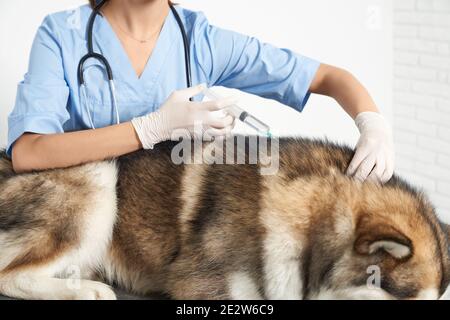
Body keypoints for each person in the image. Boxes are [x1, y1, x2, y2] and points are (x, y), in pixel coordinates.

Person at [7, 0, 394, 183]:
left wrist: (372, 124)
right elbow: (27, 153)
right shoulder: (63, 34)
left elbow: (329, 77)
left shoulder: (200, 40)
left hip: (162, 233)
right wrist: (150, 129)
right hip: (76, 214)